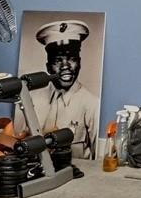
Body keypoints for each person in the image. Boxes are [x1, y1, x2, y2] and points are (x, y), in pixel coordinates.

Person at [31, 19, 99, 156]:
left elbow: (97, 159)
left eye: (72, 59)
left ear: (79, 63)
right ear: (48, 67)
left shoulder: (92, 105)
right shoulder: (33, 101)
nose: (65, 66)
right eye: (58, 60)